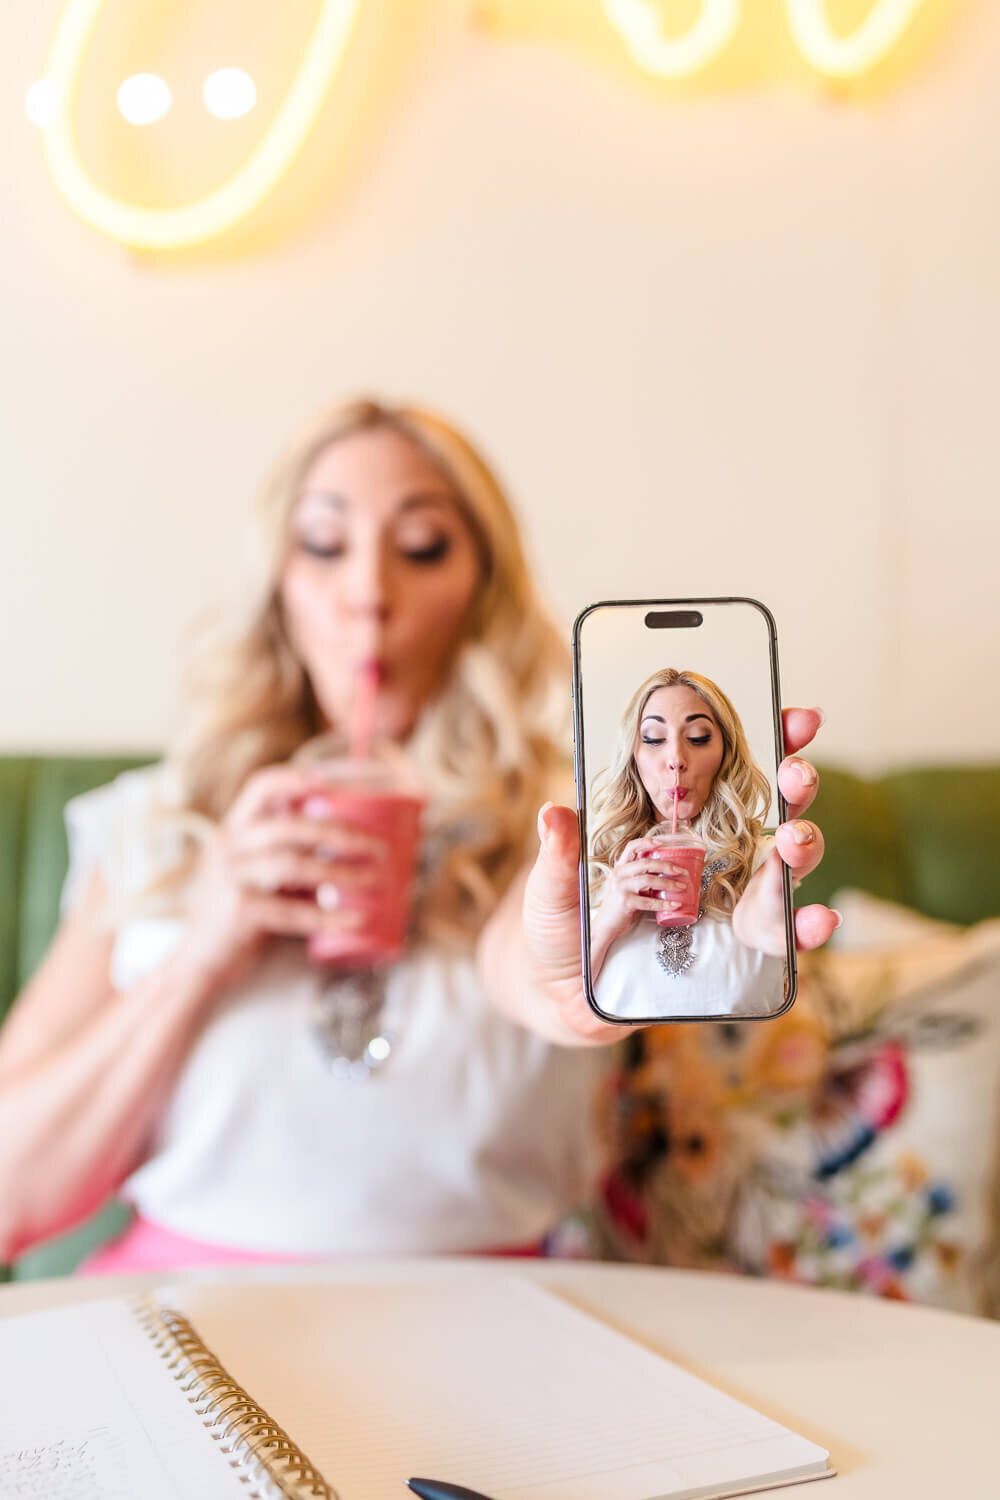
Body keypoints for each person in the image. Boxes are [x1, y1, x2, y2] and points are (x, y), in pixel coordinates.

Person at [0, 398, 838, 1272]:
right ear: (278, 585)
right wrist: (202, 953)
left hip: (489, 1330)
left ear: (481, 587)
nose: (368, 594)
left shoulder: (562, 822)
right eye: (325, 546)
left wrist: (570, 984)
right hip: (181, 1329)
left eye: (424, 547)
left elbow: (525, 959)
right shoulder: (160, 825)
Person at [588, 668, 790, 1021]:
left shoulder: (767, 861)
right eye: (653, 738)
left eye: (698, 737)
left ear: (725, 752)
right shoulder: (598, 868)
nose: (676, 759)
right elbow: (558, 1010)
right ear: (632, 756)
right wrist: (607, 919)